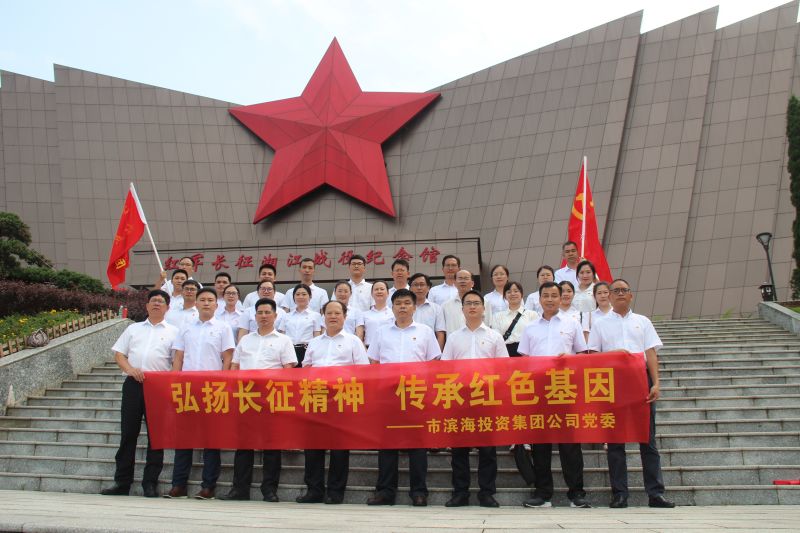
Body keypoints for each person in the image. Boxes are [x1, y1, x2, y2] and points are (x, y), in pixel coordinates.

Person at [587, 279, 675, 509]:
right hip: (613, 383)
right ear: (609, 296)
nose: (620, 294)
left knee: (648, 439)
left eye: (624, 290)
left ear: (631, 295)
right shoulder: (600, 324)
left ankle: (655, 493)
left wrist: (656, 383)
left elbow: (651, 353)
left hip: (640, 381)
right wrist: (614, 354)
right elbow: (592, 356)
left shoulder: (642, 321)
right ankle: (619, 494)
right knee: (615, 441)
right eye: (615, 291)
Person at [517, 281, 590, 509]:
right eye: (545, 295)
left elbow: (582, 355)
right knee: (541, 444)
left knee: (570, 444)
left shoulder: (572, 323)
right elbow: (523, 361)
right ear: (539, 299)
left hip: (564, 389)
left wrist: (569, 360)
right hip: (539, 390)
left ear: (561, 298)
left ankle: (576, 493)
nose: (549, 299)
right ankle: (543, 493)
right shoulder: (530, 327)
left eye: (554, 295)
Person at [100, 290, 179, 498]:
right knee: (128, 434)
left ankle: (150, 483)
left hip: (158, 387)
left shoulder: (174, 332)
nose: (156, 304)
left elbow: (177, 361)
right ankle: (122, 482)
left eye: (161, 301)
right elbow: (119, 354)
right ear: (147, 305)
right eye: (153, 301)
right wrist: (130, 370)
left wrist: (168, 381)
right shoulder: (133, 329)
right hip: (133, 384)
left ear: (167, 308)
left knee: (156, 437)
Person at [366, 289, 441, 507]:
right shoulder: (381, 332)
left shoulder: (425, 332)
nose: (402, 307)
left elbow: (433, 363)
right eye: (398, 303)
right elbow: (374, 362)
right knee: (387, 443)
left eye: (407, 303)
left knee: (418, 443)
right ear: (392, 307)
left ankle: (419, 492)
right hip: (388, 394)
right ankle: (385, 491)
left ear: (414, 307)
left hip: (416, 393)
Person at [219, 297, 297, 502]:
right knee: (244, 444)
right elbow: (235, 366)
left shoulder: (284, 340)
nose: (263, 316)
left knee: (271, 445)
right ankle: (239, 489)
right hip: (246, 396)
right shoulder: (245, 340)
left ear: (275, 315)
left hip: (271, 396)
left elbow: (288, 370)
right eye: (260, 313)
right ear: (254, 316)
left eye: (267, 312)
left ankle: (269, 489)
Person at [297, 300, 370, 504]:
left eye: (337, 313)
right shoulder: (314, 342)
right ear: (323, 316)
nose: (333, 316)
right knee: (313, 446)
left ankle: (335, 491)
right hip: (316, 397)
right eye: (329, 313)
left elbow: (363, 371)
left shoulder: (353, 341)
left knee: (339, 448)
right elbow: (306, 368)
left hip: (341, 398)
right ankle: (314, 490)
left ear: (345, 316)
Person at [166, 287, 235, 500]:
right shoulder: (186, 328)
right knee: (184, 438)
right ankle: (178, 485)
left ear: (216, 304)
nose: (206, 303)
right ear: (195, 303)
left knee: (211, 438)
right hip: (187, 388)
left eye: (210, 300)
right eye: (202, 299)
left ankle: (208, 486)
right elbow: (178, 357)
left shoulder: (223, 328)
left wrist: (224, 384)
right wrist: (174, 382)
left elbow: (228, 358)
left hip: (212, 388)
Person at [441, 290, 507, 508]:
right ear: (462, 309)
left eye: (476, 303)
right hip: (460, 397)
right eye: (468, 303)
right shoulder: (453, 337)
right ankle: (460, 492)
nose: (472, 307)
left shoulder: (494, 336)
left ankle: (487, 493)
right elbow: (445, 368)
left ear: (483, 308)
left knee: (487, 448)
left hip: (486, 397)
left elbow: (503, 368)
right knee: (459, 448)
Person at [279, 283, 323, 366]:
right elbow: (282, 336)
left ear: (310, 297)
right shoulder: (286, 316)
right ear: (293, 297)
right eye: (298, 294)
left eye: (304, 294)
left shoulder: (316, 315)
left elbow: (316, 337)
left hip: (307, 351)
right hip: (289, 352)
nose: (301, 297)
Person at [490, 281, 537, 357]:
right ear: (505, 296)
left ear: (521, 294)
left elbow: (535, 337)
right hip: (505, 353)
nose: (512, 294)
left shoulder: (532, 315)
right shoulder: (497, 316)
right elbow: (496, 338)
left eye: (516, 291)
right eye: (509, 292)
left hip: (527, 353)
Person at [442, 270, 492, 334]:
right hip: (454, 340)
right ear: (455, 283)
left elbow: (488, 324)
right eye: (460, 278)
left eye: (466, 278)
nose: (463, 281)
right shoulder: (446, 306)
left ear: (472, 283)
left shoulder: (485, 302)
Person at [409, 273, 446, 349]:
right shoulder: (405, 308)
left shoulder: (436, 309)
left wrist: (437, 354)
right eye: (415, 285)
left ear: (428, 288)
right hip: (408, 348)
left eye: (422, 284)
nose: (419, 288)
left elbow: (440, 334)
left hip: (429, 349)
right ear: (410, 288)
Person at [359, 280, 393, 348]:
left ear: (388, 293)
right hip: (368, 348)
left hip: (388, 348)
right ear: (372, 294)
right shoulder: (364, 314)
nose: (379, 291)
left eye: (382, 289)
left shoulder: (393, 313)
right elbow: (360, 336)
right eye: (376, 289)